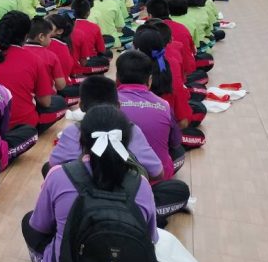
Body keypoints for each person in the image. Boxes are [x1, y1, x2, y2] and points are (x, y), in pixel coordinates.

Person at [22, 104, 159, 262]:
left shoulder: (58, 175)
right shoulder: (142, 185)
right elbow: (150, 239)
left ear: (81, 141)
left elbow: (40, 226)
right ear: (127, 141)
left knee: (29, 222)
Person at [47, 75, 190, 223]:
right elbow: (157, 173)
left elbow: (52, 166)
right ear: (118, 105)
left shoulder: (72, 131)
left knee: (52, 173)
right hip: (126, 210)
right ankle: (143, 215)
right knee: (178, 190)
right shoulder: (131, 130)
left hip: (80, 210)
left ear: (81, 105)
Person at [121, 40, 186, 176]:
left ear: (117, 78)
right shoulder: (164, 105)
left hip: (116, 178)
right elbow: (175, 142)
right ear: (150, 80)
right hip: (156, 177)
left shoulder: (106, 103)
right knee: (179, 151)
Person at [0, 11, 61, 132]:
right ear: (26, 35)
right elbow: (45, 102)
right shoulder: (34, 60)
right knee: (59, 102)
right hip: (22, 126)